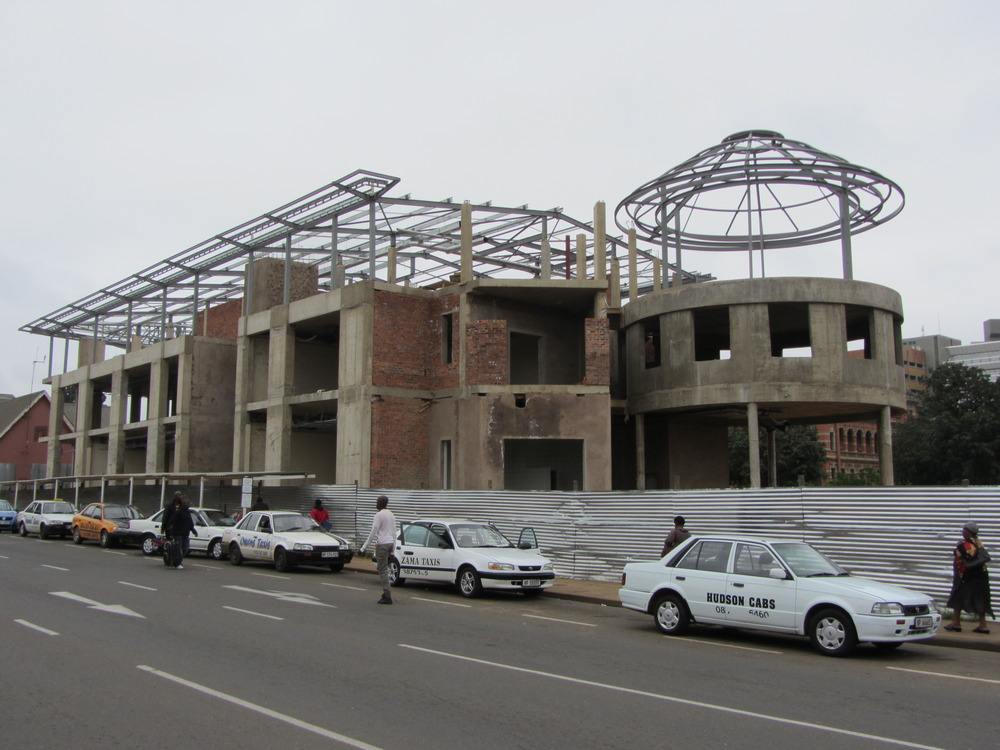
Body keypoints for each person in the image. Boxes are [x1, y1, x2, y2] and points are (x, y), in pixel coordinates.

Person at [945, 521, 993, 634]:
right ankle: (983, 625)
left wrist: (959, 547)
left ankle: (956, 623)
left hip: (966, 576)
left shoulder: (966, 544)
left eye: (964, 530)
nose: (962, 532)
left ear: (969, 532)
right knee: (980, 598)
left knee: (958, 597)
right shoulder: (979, 543)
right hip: (980, 576)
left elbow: (966, 557)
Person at [359, 495, 397, 604]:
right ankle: (386, 592)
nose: (376, 504)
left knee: (382, 569)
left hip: (383, 544)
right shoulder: (391, 515)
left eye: (377, 502)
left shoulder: (379, 515)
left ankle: (387, 594)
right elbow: (394, 533)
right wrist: (393, 551)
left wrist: (363, 548)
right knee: (385, 568)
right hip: (390, 543)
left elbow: (373, 532)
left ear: (381, 503)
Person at [161, 492, 197, 569]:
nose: (189, 505)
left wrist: (194, 531)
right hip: (177, 532)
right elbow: (169, 520)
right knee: (178, 548)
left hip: (185, 533)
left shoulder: (187, 512)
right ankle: (176, 562)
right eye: (179, 495)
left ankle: (177, 560)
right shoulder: (173, 508)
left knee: (185, 548)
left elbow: (190, 523)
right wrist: (165, 529)